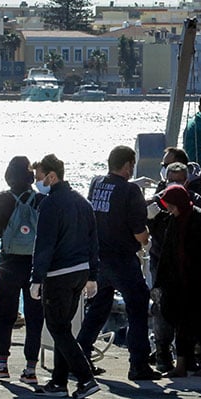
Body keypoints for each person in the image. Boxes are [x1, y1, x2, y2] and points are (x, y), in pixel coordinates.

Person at [77, 145, 161, 381]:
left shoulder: (96, 183)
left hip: (97, 257)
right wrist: (147, 241)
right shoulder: (130, 190)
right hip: (122, 259)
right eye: (131, 165)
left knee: (99, 307)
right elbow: (139, 232)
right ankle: (138, 364)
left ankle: (80, 357)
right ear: (128, 165)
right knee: (138, 305)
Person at [29, 154, 100, 399]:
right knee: (64, 328)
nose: (37, 182)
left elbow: (44, 244)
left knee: (58, 328)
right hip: (80, 272)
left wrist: (36, 278)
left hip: (58, 274)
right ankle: (59, 382)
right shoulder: (82, 202)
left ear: (52, 176)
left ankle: (85, 378)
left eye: (39, 177)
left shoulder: (50, 204)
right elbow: (93, 241)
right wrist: (93, 275)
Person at [154, 185, 201, 378]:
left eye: (171, 205)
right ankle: (187, 363)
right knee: (182, 321)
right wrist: (159, 282)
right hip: (178, 280)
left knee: (199, 320)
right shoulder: (173, 220)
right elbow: (167, 252)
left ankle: (200, 363)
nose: (169, 209)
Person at [0, 156, 45, 384]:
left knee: (5, 315)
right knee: (34, 317)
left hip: (8, 263)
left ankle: (2, 365)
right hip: (34, 264)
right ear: (30, 175)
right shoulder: (40, 199)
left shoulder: (2, 198)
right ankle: (30, 369)